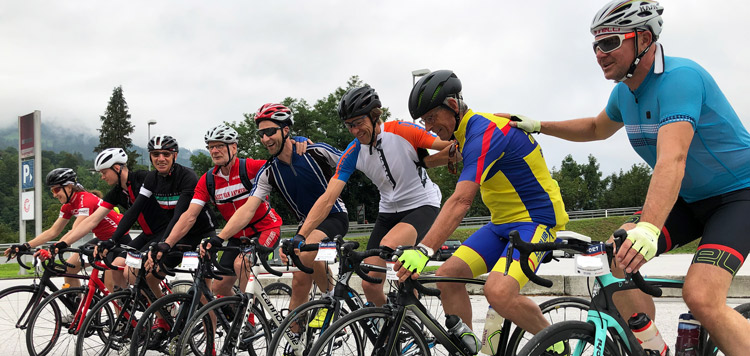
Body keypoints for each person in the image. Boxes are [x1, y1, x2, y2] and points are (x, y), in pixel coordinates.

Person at [508, 1, 750, 354]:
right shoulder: (625, 92)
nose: (599, 54)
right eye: (595, 45)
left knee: (700, 296)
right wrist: (540, 125)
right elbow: (595, 127)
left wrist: (649, 229)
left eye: (609, 43)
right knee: (614, 259)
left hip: (737, 195)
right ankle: (653, 347)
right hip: (688, 199)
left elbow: (673, 159)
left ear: (644, 39)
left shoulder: (680, 79)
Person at [395, 70, 569, 353]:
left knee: (498, 292)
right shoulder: (465, 133)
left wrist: (424, 248)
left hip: (536, 222)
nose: (428, 127)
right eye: (424, 121)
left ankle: (558, 346)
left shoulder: (485, 131)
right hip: (501, 225)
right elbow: (452, 153)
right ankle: (471, 350)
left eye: (430, 118)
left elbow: (461, 201)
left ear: (452, 106)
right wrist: (419, 163)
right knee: (447, 278)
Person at [297, 86, 453, 307]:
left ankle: (415, 323)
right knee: (370, 283)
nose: (354, 130)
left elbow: (448, 146)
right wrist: (301, 237)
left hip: (422, 204)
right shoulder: (354, 151)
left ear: (374, 115)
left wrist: (438, 158)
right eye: (349, 125)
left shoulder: (400, 130)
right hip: (388, 211)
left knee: (391, 249)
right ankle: (390, 334)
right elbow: (328, 198)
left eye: (358, 122)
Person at [208, 104, 349, 329]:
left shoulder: (315, 151)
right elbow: (248, 209)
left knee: (306, 252)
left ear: (285, 130)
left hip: (334, 216)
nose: (265, 138)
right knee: (299, 281)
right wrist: (220, 237)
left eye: (271, 131)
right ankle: (294, 339)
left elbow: (354, 162)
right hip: (306, 225)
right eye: (261, 134)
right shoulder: (269, 171)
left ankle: (333, 302)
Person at [157, 123, 285, 298]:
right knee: (219, 287)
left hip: (266, 229)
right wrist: (167, 243)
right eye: (210, 147)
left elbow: (284, 162)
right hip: (236, 236)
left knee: (242, 264)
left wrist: (301, 144)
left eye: (219, 145)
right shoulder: (208, 180)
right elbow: (189, 215)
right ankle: (235, 313)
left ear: (233, 147)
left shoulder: (252, 168)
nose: (214, 151)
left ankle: (250, 321)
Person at [98, 136, 217, 314]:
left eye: (166, 154)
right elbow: (134, 210)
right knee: (148, 276)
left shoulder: (187, 176)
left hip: (201, 233)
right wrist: (113, 240)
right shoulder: (152, 178)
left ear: (174, 156)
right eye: (155, 154)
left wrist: (164, 243)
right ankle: (164, 317)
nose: (160, 158)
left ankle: (213, 340)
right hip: (178, 235)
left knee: (203, 295)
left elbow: (180, 215)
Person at [4, 168, 127, 289]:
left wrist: (54, 248)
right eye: (52, 191)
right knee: (69, 269)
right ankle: (77, 305)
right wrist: (26, 245)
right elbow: (53, 231)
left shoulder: (86, 199)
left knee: (111, 284)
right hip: (101, 240)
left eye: (56, 189)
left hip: (118, 240)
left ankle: (119, 307)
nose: (54, 195)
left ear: (69, 187)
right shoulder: (67, 206)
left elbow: (76, 229)